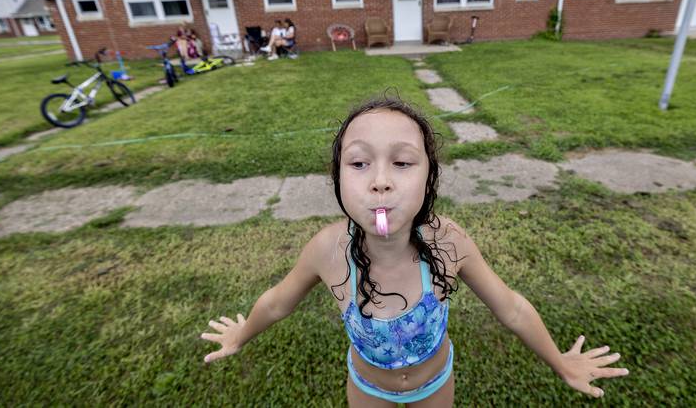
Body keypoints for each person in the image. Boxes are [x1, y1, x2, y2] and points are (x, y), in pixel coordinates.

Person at [200, 96, 629, 406]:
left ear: (428, 178)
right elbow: (276, 304)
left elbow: (512, 309)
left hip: (435, 387)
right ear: (338, 179)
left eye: (402, 163)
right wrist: (241, 334)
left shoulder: (449, 243)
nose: (381, 181)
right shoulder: (327, 251)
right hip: (368, 392)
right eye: (359, 163)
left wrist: (560, 362)